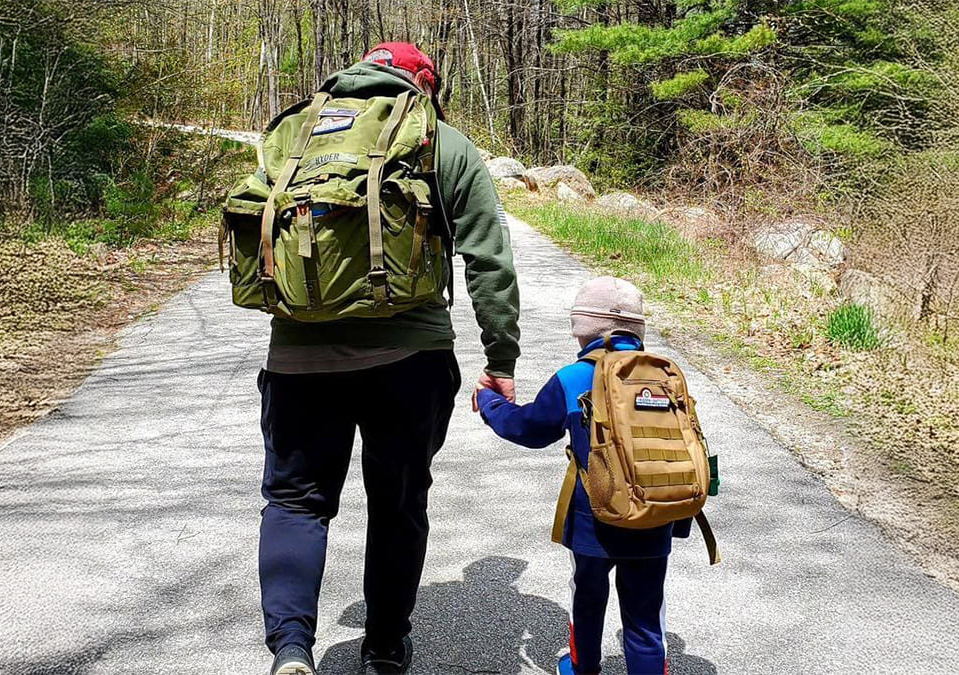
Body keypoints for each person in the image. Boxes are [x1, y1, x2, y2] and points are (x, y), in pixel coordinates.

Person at [256, 43, 521, 675]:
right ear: (425, 85)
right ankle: (383, 651)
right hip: (409, 356)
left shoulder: (296, 130)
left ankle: (292, 650)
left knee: (295, 502)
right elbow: (488, 259)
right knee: (397, 503)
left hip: (297, 356)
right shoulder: (441, 140)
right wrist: (500, 357)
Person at [475, 276, 719, 675]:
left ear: (583, 328)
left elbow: (527, 430)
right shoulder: (664, 375)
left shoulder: (574, 378)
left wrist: (490, 402)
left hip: (595, 519)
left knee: (587, 598)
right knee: (644, 615)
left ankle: (581, 668)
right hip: (658, 514)